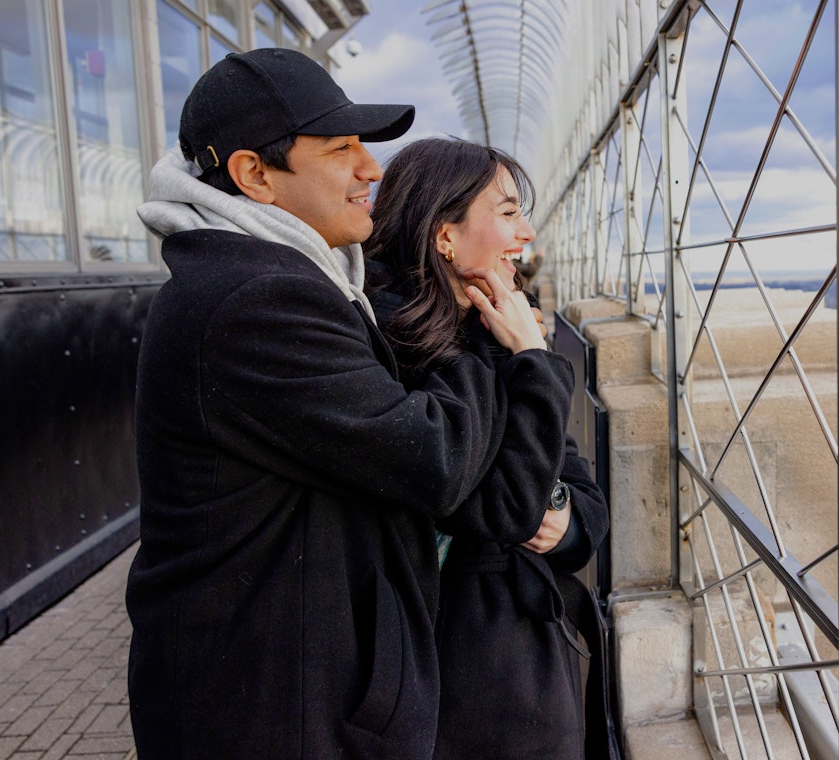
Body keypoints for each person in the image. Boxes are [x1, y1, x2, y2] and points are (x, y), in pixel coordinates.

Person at [125, 49, 577, 759]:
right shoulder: (257, 300)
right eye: (341, 149)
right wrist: (517, 353)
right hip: (276, 713)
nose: (371, 169)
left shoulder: (293, 280)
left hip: (292, 693)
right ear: (254, 175)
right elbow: (435, 461)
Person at [364, 137, 611, 760]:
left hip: (520, 647)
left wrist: (569, 521)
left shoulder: (492, 320)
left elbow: (576, 482)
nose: (526, 231)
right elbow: (503, 508)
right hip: (463, 666)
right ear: (445, 234)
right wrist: (534, 361)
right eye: (506, 212)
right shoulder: (391, 347)